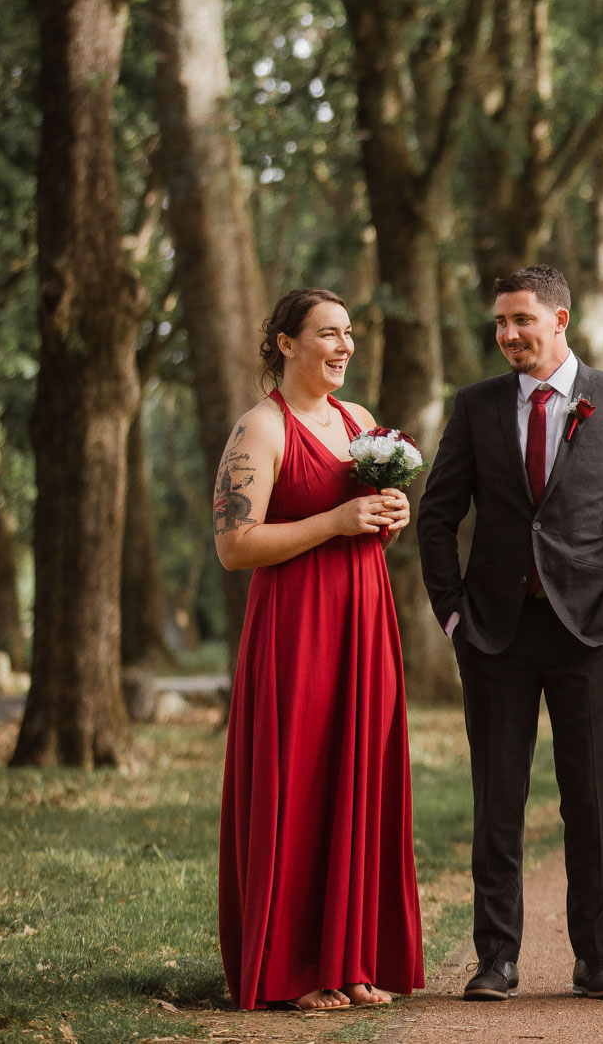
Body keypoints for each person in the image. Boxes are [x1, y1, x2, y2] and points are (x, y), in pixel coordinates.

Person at [417, 266, 603, 1002]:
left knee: (590, 799)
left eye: (521, 319)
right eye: (500, 323)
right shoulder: (477, 404)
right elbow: (437, 515)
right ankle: (497, 958)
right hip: (494, 633)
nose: (508, 334)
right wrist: (453, 612)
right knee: (498, 798)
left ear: (559, 318)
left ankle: (595, 955)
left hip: (589, 630)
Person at [214, 287, 422, 1012]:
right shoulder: (259, 430)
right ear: (286, 344)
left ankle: (354, 959)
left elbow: (365, 519)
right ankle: (293, 968)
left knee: (358, 777)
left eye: (350, 334)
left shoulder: (358, 421)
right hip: (296, 629)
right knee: (300, 779)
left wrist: (387, 513)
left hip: (365, 622)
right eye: (328, 333)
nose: (345, 346)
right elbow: (234, 546)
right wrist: (334, 519)